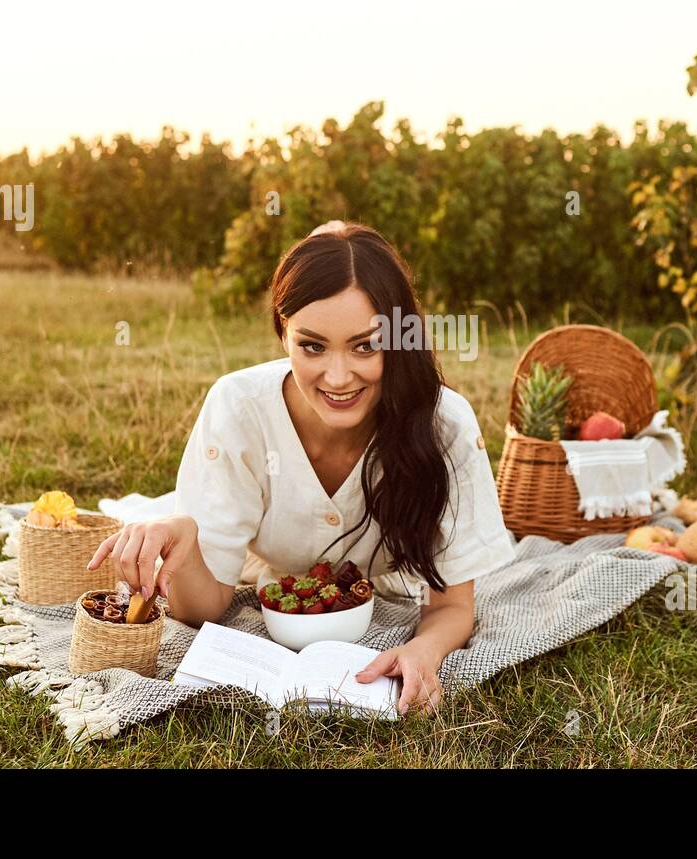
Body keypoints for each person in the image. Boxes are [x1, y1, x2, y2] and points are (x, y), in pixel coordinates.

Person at [88, 221, 516, 715]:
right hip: (262, 568)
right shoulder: (238, 407)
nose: (338, 377)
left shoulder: (445, 425)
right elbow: (201, 608)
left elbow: (451, 606)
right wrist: (184, 537)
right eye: (312, 346)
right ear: (283, 333)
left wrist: (424, 649)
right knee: (173, 522)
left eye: (365, 346)